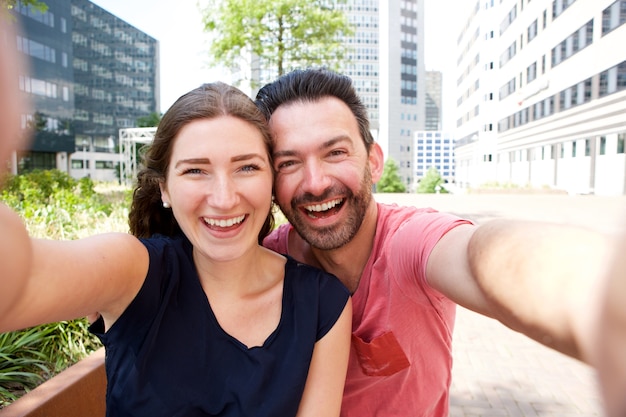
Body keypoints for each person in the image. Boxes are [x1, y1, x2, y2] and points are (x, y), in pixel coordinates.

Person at [255, 67, 617, 416]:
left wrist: (603, 296)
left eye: (335, 153)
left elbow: (480, 256)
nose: (316, 183)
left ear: (374, 162)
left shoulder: (411, 242)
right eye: (289, 163)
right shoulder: (268, 260)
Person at [0, 82, 353, 417]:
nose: (224, 198)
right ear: (164, 188)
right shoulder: (133, 271)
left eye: (246, 167)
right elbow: (22, 276)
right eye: (196, 171)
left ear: (271, 181)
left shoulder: (322, 303)